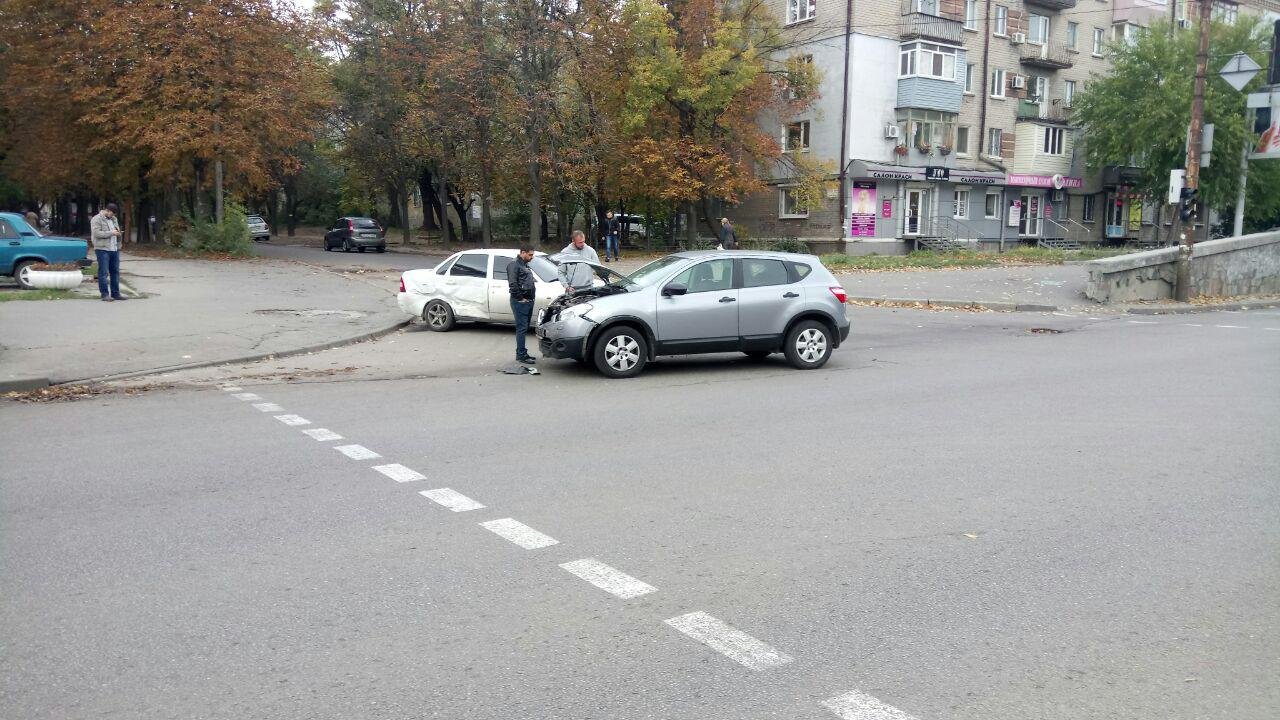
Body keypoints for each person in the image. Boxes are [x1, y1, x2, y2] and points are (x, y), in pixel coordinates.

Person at [506, 244, 537, 364]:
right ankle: (521, 355)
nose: (532, 257)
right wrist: (520, 298)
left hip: (528, 300)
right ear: (523, 252)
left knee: (524, 328)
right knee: (522, 328)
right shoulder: (514, 264)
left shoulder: (523, 264)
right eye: (530, 255)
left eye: (532, 255)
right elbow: (513, 284)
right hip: (520, 302)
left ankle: (523, 352)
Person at [90, 203, 126, 302]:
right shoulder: (96, 219)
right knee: (103, 272)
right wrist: (111, 233)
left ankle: (115, 293)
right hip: (102, 249)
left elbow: (116, 231)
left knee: (115, 272)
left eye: (114, 214)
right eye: (111, 213)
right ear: (107, 210)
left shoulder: (114, 219)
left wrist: (118, 234)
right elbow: (96, 233)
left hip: (114, 248)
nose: (112, 215)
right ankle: (105, 294)